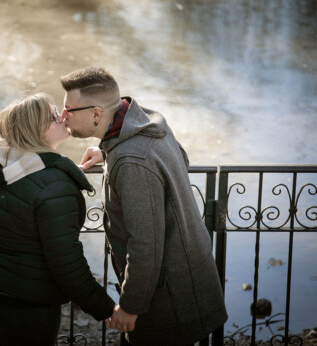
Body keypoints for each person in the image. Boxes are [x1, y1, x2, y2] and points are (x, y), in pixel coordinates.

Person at [60, 67, 228, 346]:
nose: (63, 116)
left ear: (96, 114)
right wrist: (108, 151)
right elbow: (180, 160)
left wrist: (130, 306)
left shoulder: (132, 162)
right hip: (190, 284)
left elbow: (146, 244)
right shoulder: (147, 123)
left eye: (68, 110)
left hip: (167, 306)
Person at [0, 93, 115, 346]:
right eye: (54, 115)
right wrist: (106, 308)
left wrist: (107, 152)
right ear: (36, 130)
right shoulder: (54, 185)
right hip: (27, 302)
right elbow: (66, 261)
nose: (63, 116)